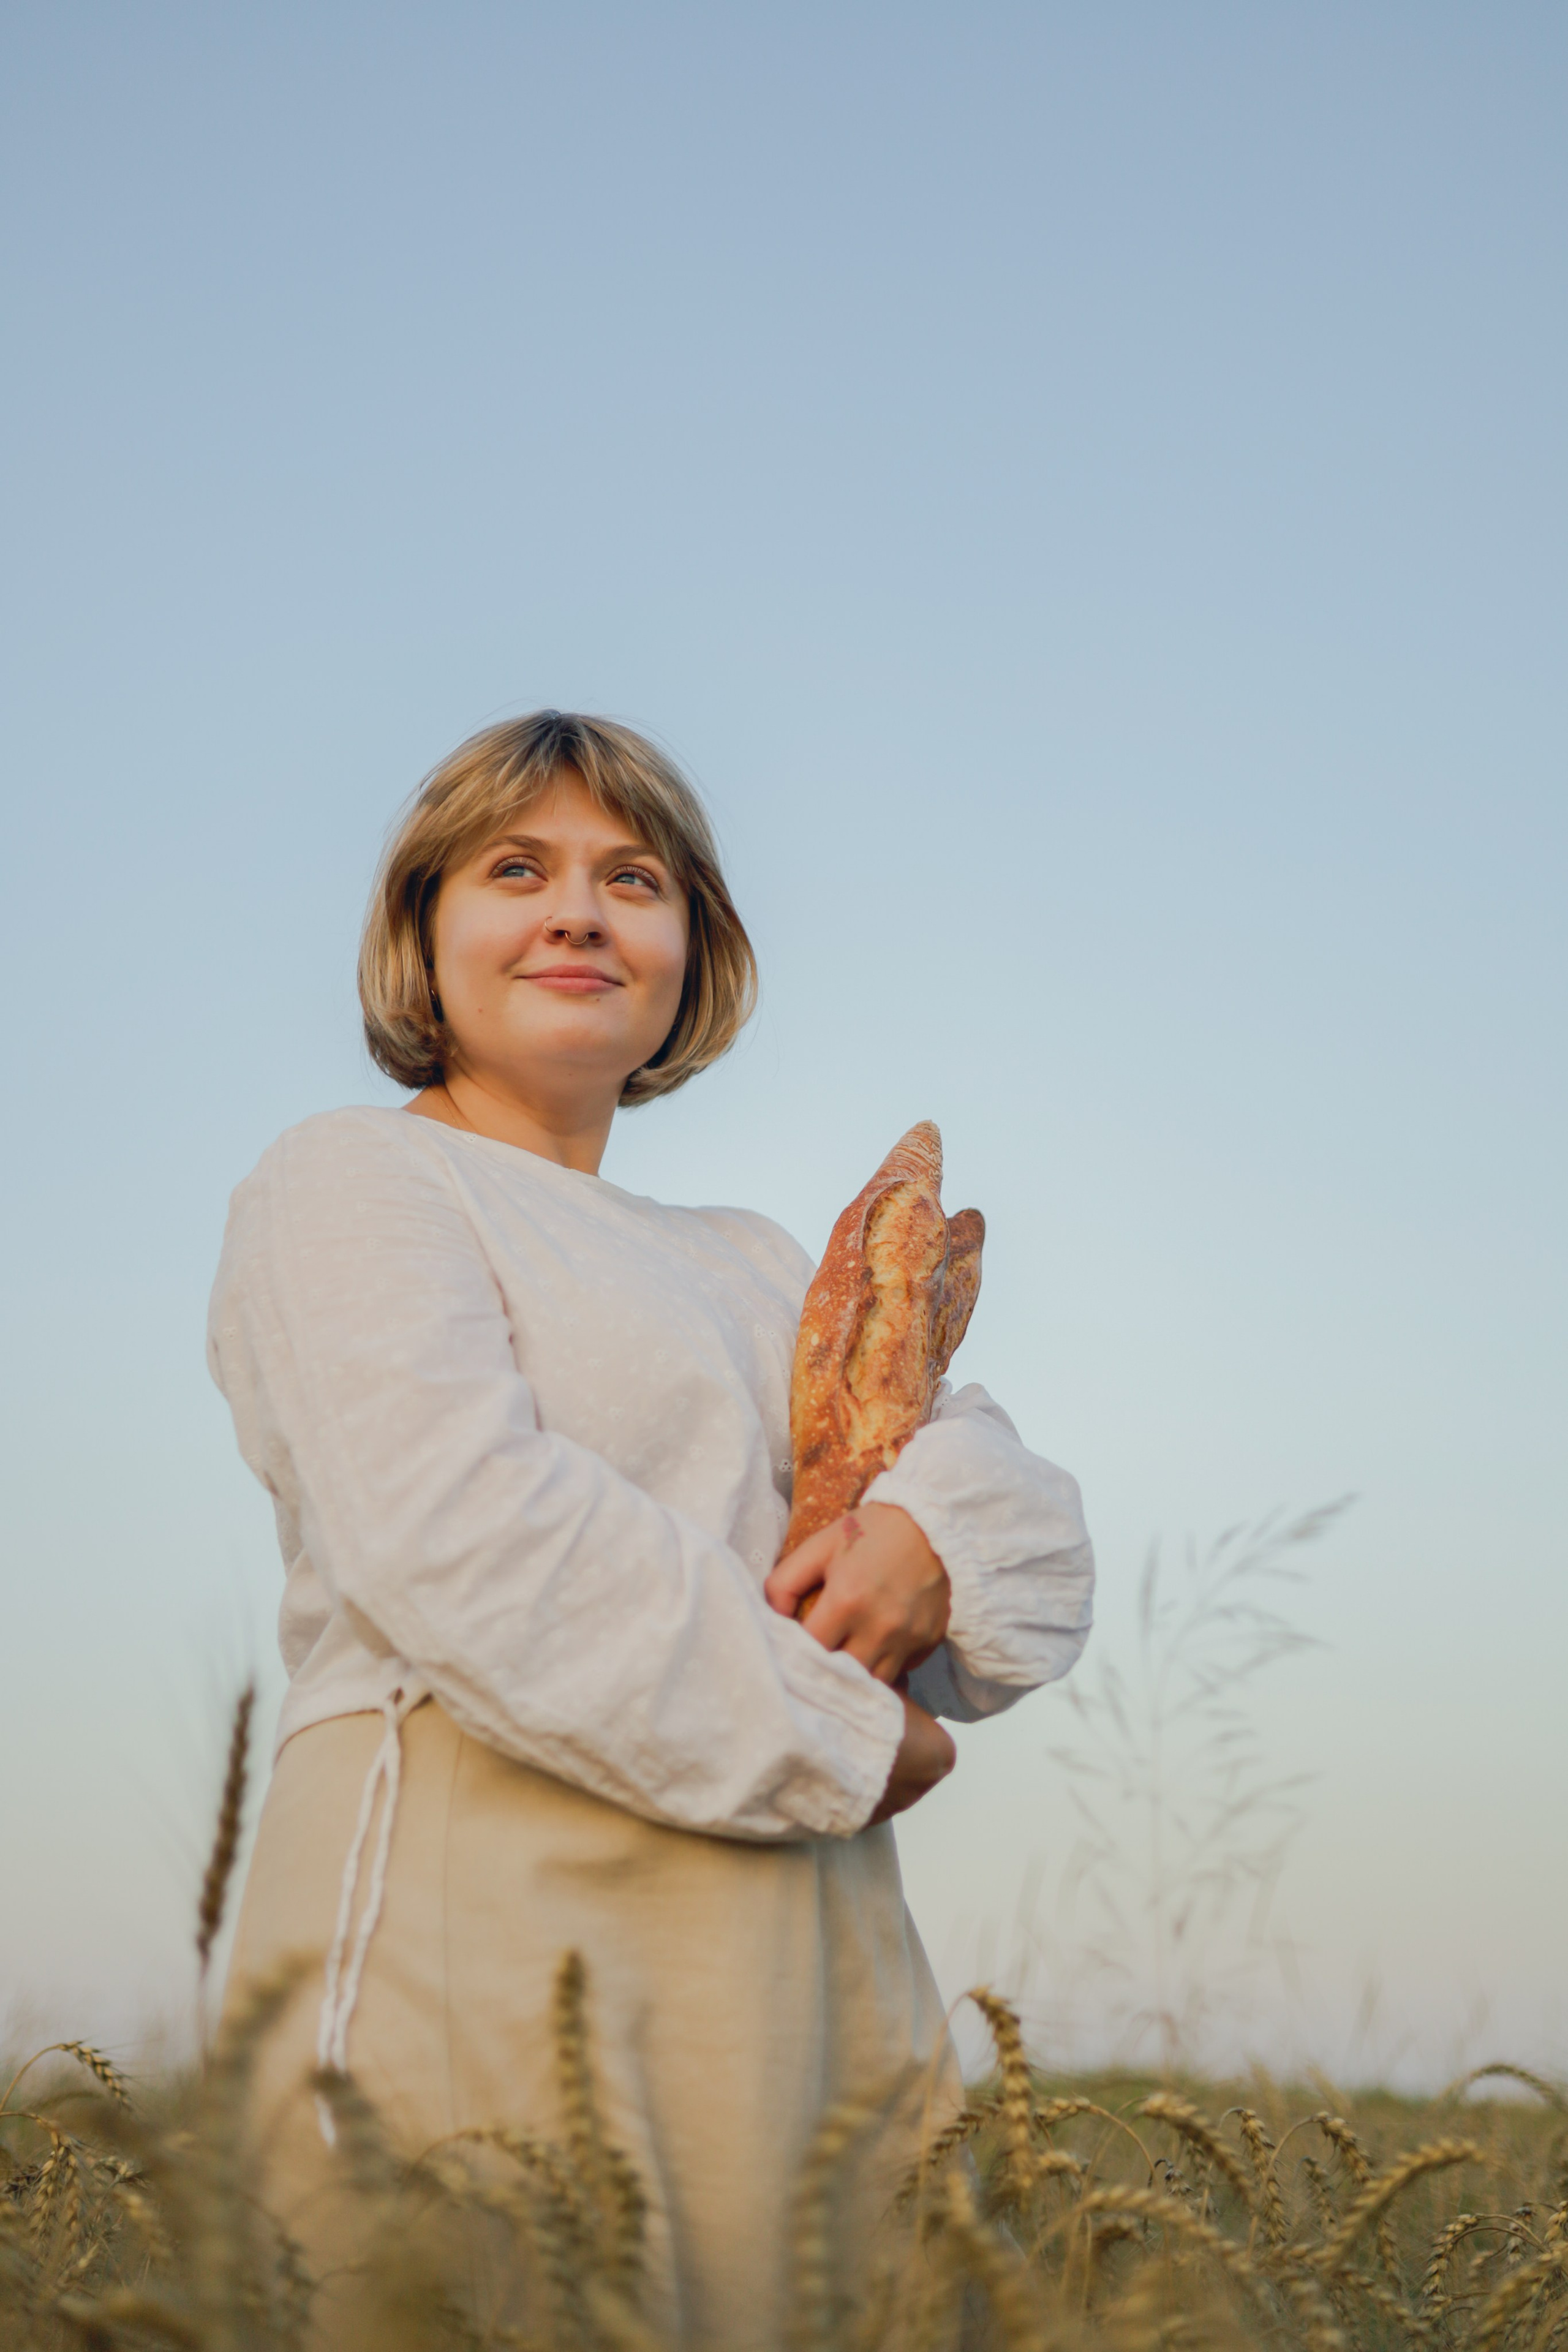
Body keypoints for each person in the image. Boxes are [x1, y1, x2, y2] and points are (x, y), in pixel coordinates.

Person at [211, 710, 1095, 2350]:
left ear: (693, 956)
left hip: (798, 1961)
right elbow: (463, 1540)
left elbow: (1028, 1533)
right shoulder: (351, 1184)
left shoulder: (757, 1260)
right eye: (515, 870)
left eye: (635, 879)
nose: (577, 914)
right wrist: (850, 1727)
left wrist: (929, 1548)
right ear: (422, 936)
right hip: (485, 1896)